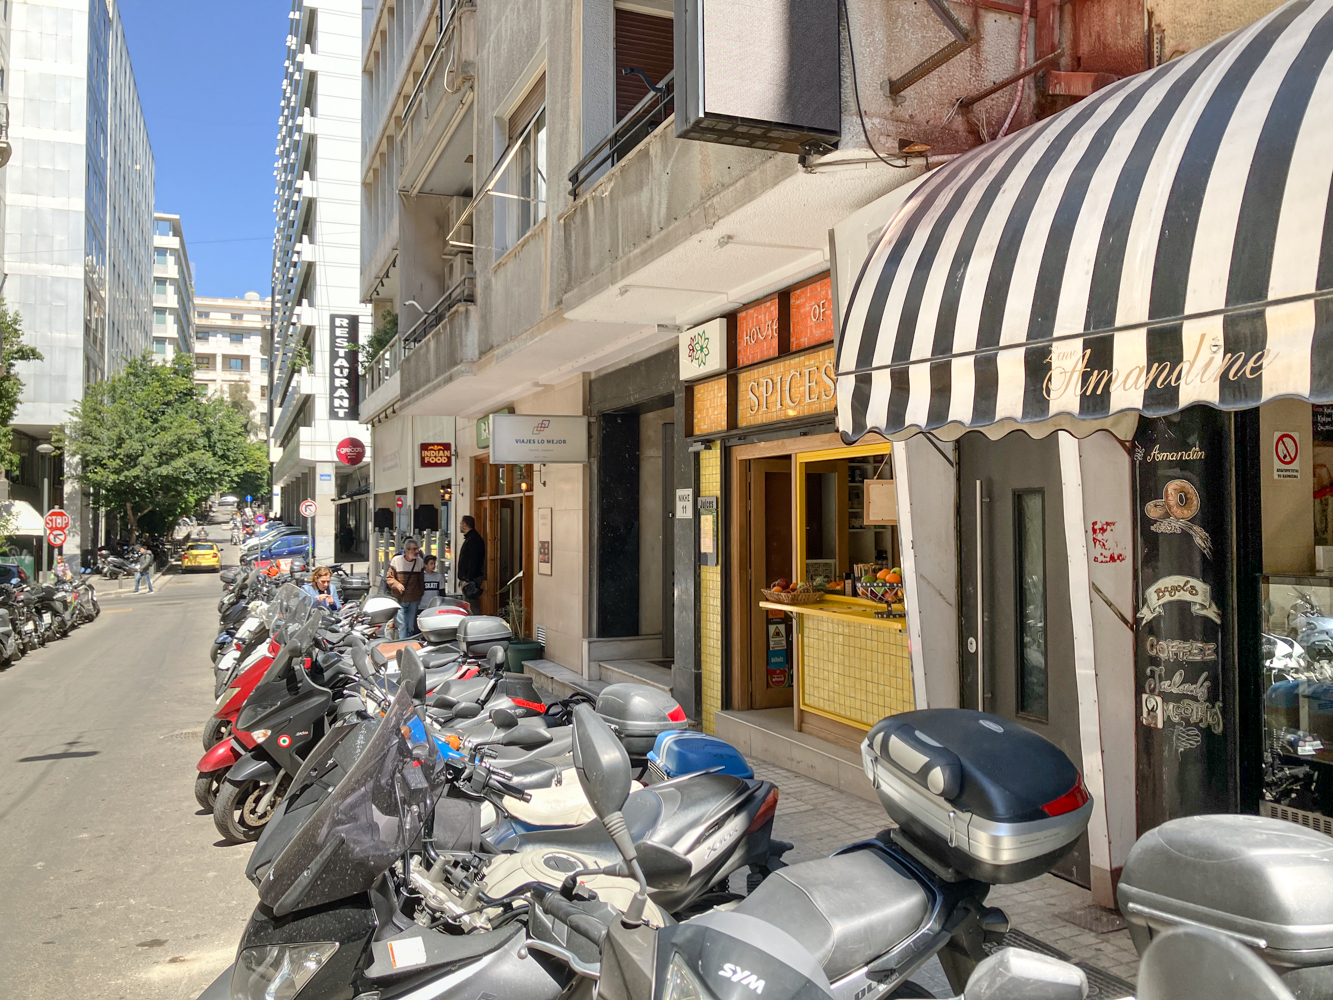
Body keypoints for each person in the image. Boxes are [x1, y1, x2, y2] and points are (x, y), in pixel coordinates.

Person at [386, 537, 425, 637]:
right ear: (407, 550)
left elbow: (421, 581)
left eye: (418, 549)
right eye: (414, 549)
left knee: (411, 626)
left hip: (414, 599)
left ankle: (409, 644)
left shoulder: (419, 562)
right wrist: (397, 584)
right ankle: (403, 645)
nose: (417, 551)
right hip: (400, 599)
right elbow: (389, 578)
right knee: (402, 625)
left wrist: (420, 594)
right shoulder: (396, 560)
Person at [457, 515, 486, 604]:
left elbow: (473, 561)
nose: (460, 525)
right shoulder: (472, 538)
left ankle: (475, 618)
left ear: (465, 524)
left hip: (471, 579)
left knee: (470, 606)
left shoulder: (473, 540)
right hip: (470, 578)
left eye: (461, 523)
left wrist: (468, 580)